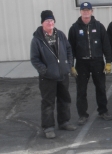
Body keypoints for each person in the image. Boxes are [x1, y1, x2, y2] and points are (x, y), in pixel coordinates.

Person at [30, 10, 77, 139]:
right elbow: (34, 59)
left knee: (65, 100)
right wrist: (44, 71)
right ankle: (48, 127)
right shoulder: (37, 40)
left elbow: (68, 49)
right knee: (48, 103)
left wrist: (68, 65)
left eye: (51, 20)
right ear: (42, 23)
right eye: (47, 21)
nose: (50, 23)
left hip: (62, 75)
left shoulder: (60, 35)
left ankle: (64, 122)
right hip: (47, 78)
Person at [67, 2, 112, 124]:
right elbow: (69, 48)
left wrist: (108, 61)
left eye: (88, 10)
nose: (86, 12)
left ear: (92, 11)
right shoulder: (74, 28)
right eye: (83, 10)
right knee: (81, 90)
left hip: (97, 61)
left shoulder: (99, 26)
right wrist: (71, 65)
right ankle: (82, 115)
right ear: (80, 12)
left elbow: (106, 45)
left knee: (101, 88)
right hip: (81, 63)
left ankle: (103, 111)